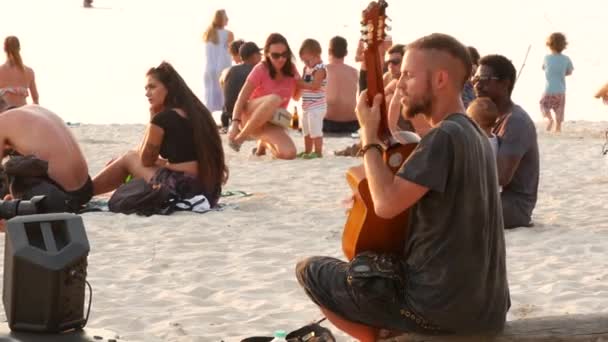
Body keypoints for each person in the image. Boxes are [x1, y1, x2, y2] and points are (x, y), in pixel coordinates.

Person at [297, 33, 510, 341]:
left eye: (408, 75)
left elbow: (385, 204)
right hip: (488, 310)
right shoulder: (473, 134)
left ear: (439, 79)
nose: (399, 84)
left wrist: (368, 136)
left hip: (438, 310)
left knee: (311, 270)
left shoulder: (444, 137)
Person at [93, 62, 228, 207]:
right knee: (130, 156)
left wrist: (152, 119)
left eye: (152, 87)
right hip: (209, 191)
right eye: (146, 88)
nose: (147, 93)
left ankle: (84, 193)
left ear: (169, 88)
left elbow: (145, 160)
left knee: (128, 158)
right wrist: (161, 162)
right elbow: (187, 159)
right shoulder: (199, 113)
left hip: (181, 189)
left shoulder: (163, 118)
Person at [474, 54, 539, 229]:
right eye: (476, 78)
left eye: (486, 79)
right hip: (493, 197)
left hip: (514, 205)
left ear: (505, 83)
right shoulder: (488, 117)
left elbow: (501, 176)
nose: (477, 84)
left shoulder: (516, 121)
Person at [0, 97, 92, 218]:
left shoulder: (2, 122)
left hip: (55, 197)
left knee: (13, 166)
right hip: (85, 190)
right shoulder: (35, 109)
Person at [228, 33, 300, 160]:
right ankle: (241, 138)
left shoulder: (291, 70)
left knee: (289, 154)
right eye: (275, 55)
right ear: (267, 54)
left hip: (272, 122)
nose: (281, 59)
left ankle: (263, 143)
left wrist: (303, 82)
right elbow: (241, 98)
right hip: (249, 118)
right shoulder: (261, 69)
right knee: (274, 99)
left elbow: (296, 97)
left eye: (284, 54)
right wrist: (234, 125)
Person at [220, 42, 262, 132]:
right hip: (246, 115)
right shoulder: (257, 71)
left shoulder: (230, 70)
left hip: (230, 114)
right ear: (255, 56)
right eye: (260, 54)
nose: (261, 57)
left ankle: (226, 126)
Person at [298, 39, 327, 158]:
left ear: (317, 55)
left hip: (317, 105)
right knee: (306, 130)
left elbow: (315, 86)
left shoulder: (320, 69)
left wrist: (301, 84)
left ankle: (318, 151)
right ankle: (308, 150)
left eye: (307, 60)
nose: (305, 63)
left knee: (315, 130)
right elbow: (301, 81)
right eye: (303, 61)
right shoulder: (306, 69)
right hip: (306, 104)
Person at [323, 36, 359, 134]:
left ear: (329, 51)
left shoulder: (323, 70)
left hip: (328, 123)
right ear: (346, 53)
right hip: (353, 124)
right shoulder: (354, 72)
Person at [540, 32, 573, 132]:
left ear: (549, 45)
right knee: (559, 111)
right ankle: (558, 128)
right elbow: (569, 72)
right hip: (560, 91)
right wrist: (562, 73)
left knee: (543, 104)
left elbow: (543, 68)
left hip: (548, 90)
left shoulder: (546, 58)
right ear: (564, 46)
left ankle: (550, 119)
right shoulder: (566, 59)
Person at [202, 9, 234, 112]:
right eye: (226, 17)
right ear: (221, 19)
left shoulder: (208, 34)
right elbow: (232, 52)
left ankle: (208, 124)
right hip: (223, 68)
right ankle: (226, 123)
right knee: (225, 99)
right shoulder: (228, 34)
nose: (228, 19)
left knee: (209, 100)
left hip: (209, 70)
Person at [0, 36, 39, 108]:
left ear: (4, 49)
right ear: (19, 48)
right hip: (23, 109)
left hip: (4, 112)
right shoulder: (29, 71)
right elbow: (36, 99)